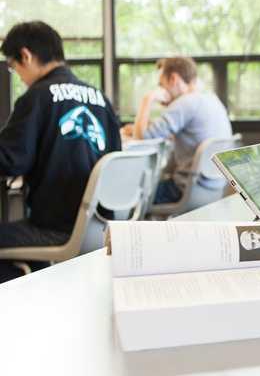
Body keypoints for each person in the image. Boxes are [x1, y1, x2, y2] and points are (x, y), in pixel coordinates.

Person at [0, 21, 121, 279]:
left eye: (14, 68)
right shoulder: (100, 98)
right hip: (99, 226)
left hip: (56, 228)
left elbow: (10, 161)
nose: (19, 77)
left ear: (26, 56)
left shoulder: (36, 97)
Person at [123, 57, 232, 204]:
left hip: (185, 190)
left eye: (161, 85)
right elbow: (174, 130)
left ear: (173, 79)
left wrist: (147, 99)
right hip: (213, 188)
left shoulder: (185, 102)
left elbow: (140, 138)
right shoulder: (211, 99)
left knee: (128, 195)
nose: (161, 90)